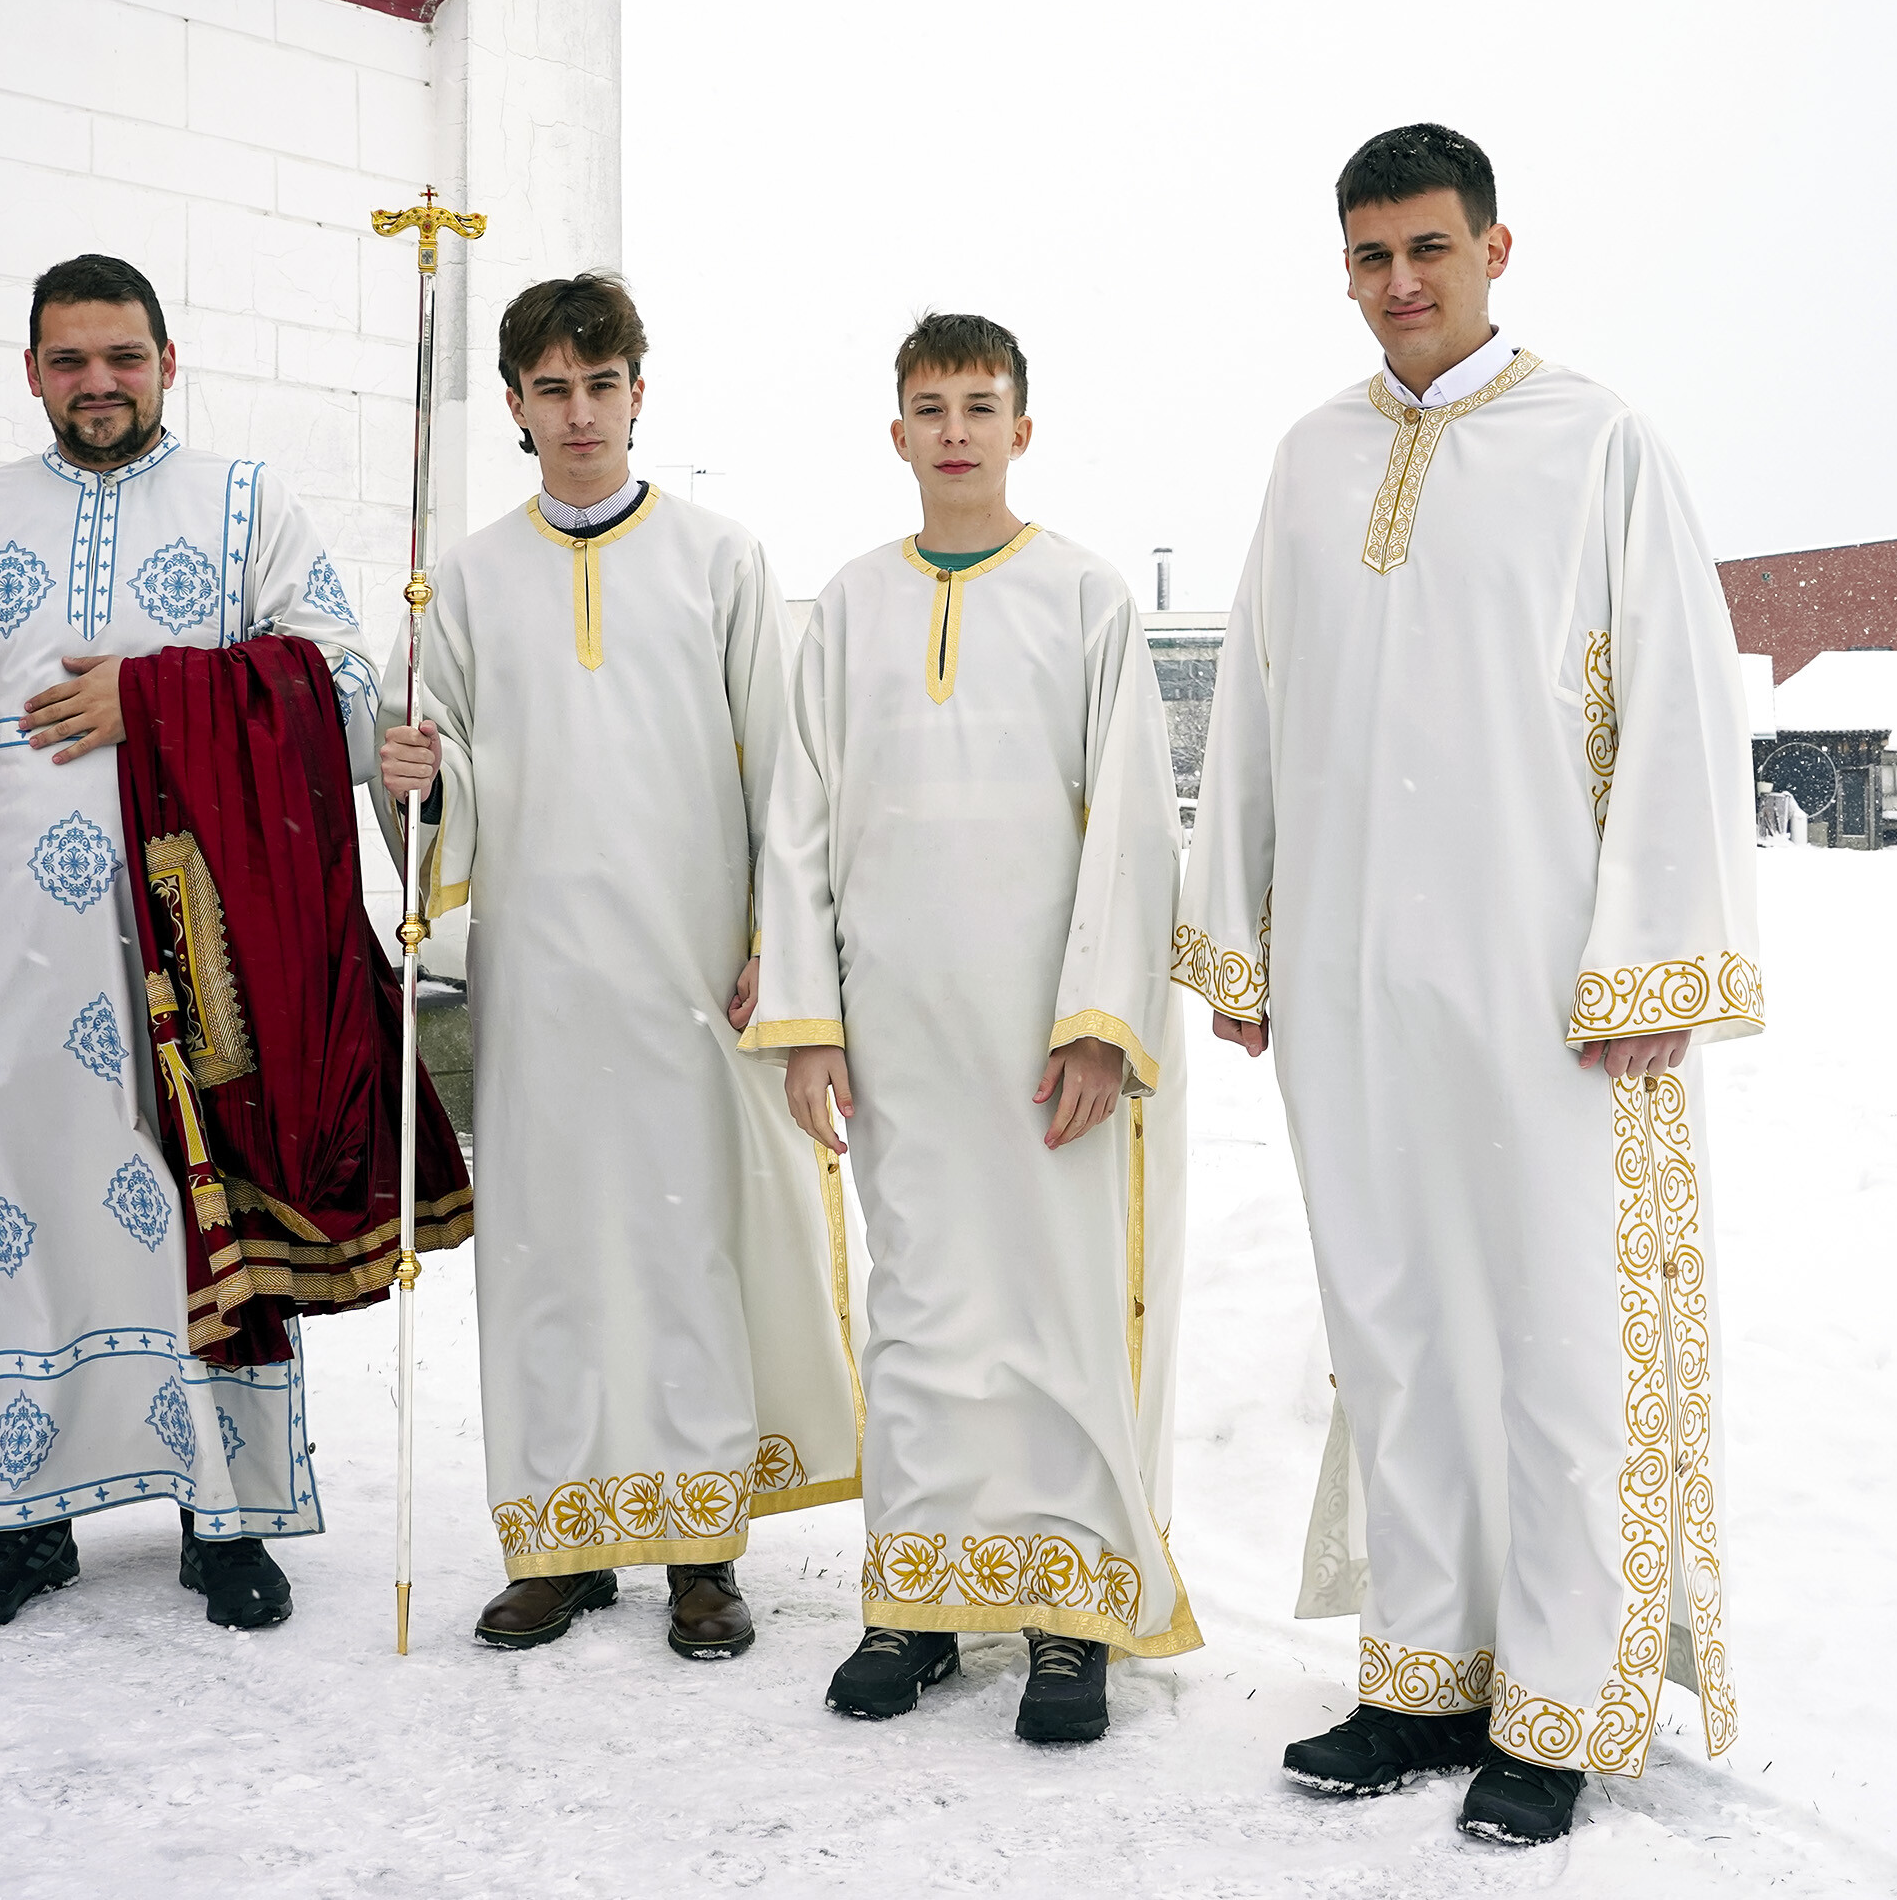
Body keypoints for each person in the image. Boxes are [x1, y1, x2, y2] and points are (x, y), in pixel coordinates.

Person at [1176, 124, 1762, 1845]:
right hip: (1351, 974)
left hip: (1542, 979)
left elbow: (1681, 699)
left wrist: (1648, 957)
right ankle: (1423, 1671)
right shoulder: (1309, 458)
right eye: (1369, 257)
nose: (1399, 284)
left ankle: (1559, 1700)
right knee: (1395, 1327)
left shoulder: (1595, 442)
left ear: (1495, 249)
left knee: (1555, 1339)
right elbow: (1256, 698)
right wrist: (1242, 932)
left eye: (1427, 248)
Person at [0, 253, 387, 1632]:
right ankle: (24, 1519)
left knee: (205, 1202)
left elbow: (339, 681)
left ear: (167, 362)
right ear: (33, 371)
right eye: (71, 360)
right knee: (21, 1208)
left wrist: (153, 697)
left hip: (196, 933)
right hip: (14, 932)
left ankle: (227, 1516)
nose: (99, 383)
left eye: (124, 357)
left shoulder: (246, 503)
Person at [376, 273, 857, 1663]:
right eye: (552, 389)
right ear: (516, 407)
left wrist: (778, 942)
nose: (579, 412)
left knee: (683, 1244)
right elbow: (441, 774)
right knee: (549, 1251)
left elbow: (785, 768)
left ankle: (702, 1549)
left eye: (601, 385)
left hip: (691, 966)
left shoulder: (718, 559)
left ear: (640, 394)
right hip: (540, 977)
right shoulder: (463, 580)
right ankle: (560, 1542)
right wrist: (415, 771)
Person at [747, 313, 1196, 1745]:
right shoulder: (849, 605)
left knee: (1057, 1312)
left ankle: (1070, 1612)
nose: (955, 431)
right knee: (926, 1315)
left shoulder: (1083, 597)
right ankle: (920, 1600)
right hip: (901, 1029)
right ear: (896, 432)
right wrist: (810, 1021)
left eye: (980, 406)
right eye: (930, 407)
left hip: (1046, 1036)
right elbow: (799, 823)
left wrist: (1100, 1020)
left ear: (1022, 428)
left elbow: (1133, 823)